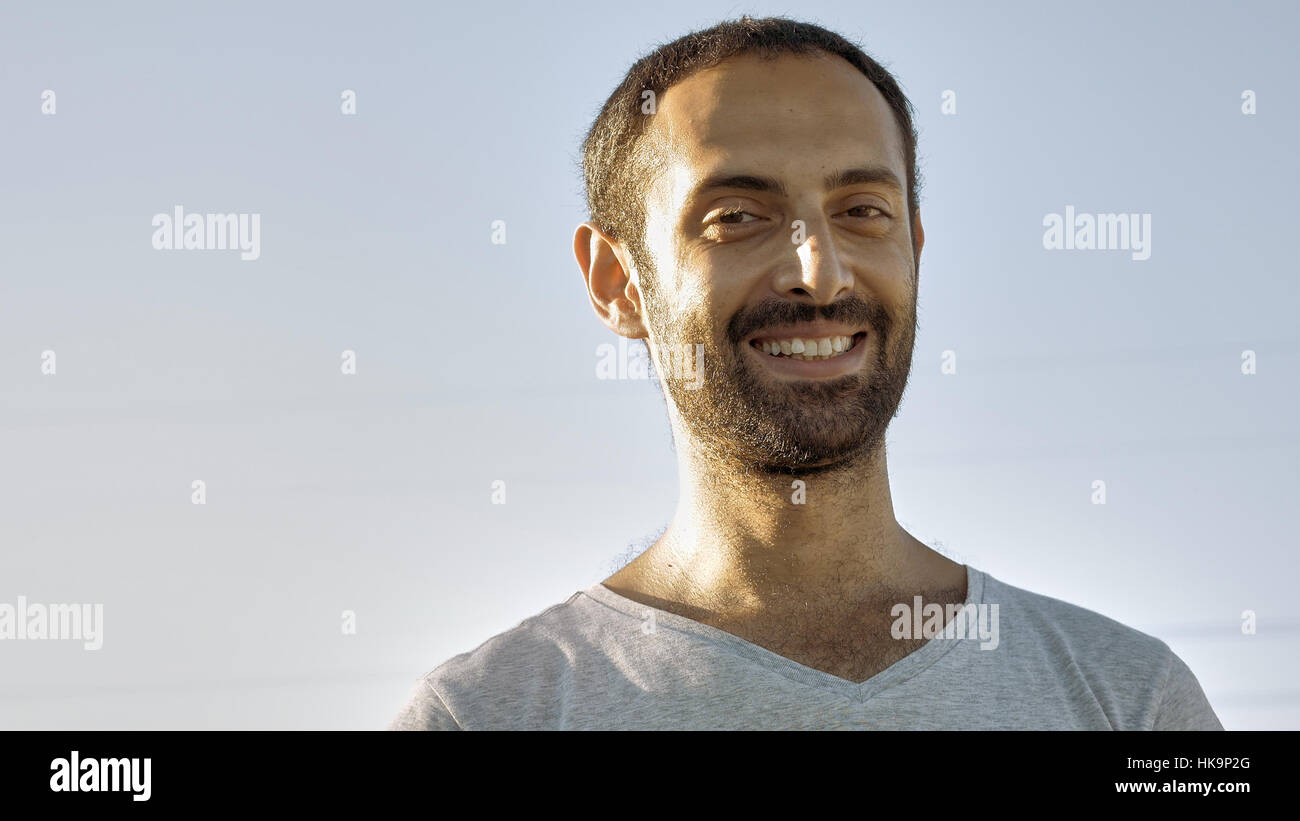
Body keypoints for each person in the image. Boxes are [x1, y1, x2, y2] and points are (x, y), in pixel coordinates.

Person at [390, 15, 1222, 730]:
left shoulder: (1130, 702)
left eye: (863, 211)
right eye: (737, 217)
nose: (818, 272)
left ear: (915, 250)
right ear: (618, 282)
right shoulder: (487, 714)